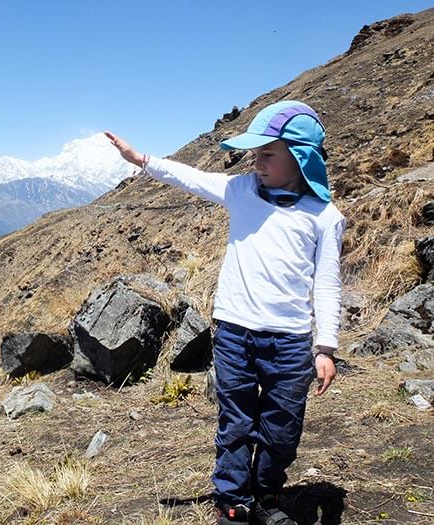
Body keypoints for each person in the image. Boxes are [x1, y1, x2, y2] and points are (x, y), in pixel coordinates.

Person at [106, 100, 345, 525]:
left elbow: (327, 284)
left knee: (282, 431)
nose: (257, 162)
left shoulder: (325, 218)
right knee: (235, 422)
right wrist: (142, 160)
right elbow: (193, 179)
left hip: (290, 343)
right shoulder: (241, 191)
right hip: (234, 333)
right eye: (255, 154)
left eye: (267, 154)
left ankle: (267, 494)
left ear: (302, 158)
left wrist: (325, 347)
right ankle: (233, 501)